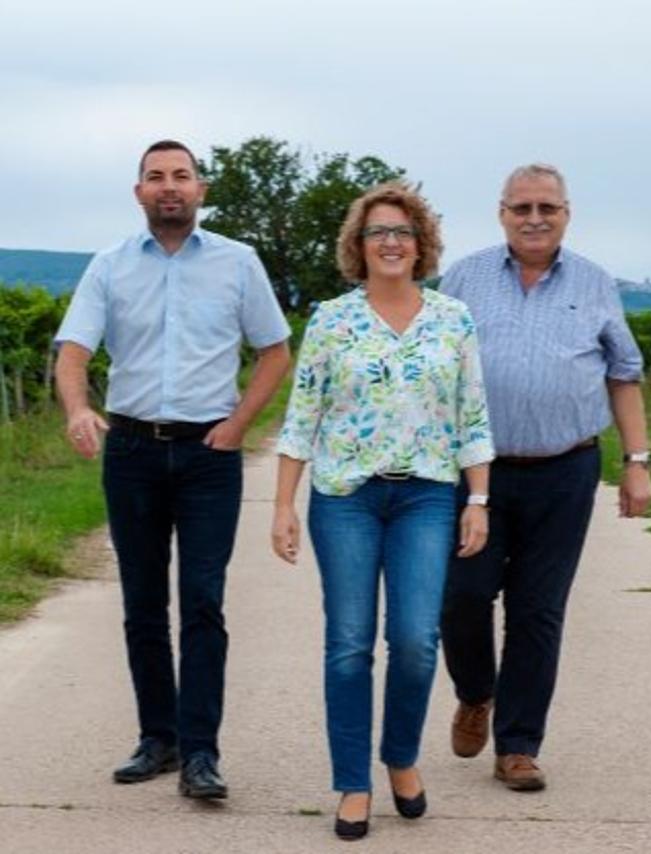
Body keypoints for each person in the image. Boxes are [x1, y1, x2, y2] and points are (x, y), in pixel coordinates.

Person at [54, 139, 291, 800]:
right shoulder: (109, 267)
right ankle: (157, 738)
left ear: (201, 190)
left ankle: (201, 753)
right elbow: (72, 352)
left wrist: (238, 427)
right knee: (142, 603)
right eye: (156, 177)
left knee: (203, 601)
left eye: (181, 176)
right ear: (139, 193)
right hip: (130, 452)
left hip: (208, 456)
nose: (169, 187)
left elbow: (274, 352)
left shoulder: (238, 264)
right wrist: (78, 409)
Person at [271, 183, 494, 840]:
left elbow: (472, 415)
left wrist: (477, 498)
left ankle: (400, 757)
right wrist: (282, 504)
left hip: (426, 495)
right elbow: (302, 416)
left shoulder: (453, 319)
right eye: (377, 233)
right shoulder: (332, 321)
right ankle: (352, 782)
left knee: (417, 641)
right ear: (358, 247)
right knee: (348, 644)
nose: (391, 242)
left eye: (402, 231)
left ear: (421, 244)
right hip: (346, 498)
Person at [440, 163, 651, 792]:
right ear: (501, 212)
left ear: (567, 213)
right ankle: (476, 693)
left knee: (538, 611)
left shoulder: (593, 283)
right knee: (463, 596)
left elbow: (624, 372)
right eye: (522, 208)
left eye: (547, 208)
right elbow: (433, 366)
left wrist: (637, 465)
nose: (535, 219)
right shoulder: (465, 278)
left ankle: (518, 745)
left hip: (565, 471)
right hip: (476, 472)